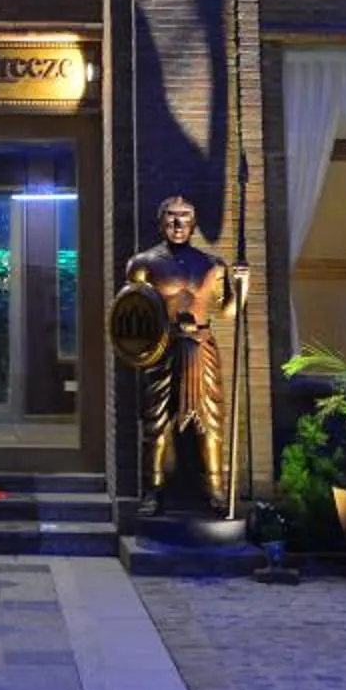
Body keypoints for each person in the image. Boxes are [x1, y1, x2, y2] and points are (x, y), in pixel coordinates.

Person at [121, 193, 251, 515]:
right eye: (171, 216)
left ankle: (216, 488)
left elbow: (227, 312)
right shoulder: (143, 264)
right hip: (162, 347)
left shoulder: (212, 265)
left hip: (201, 346)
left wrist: (242, 287)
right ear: (160, 221)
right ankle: (152, 490)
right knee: (156, 421)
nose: (178, 223)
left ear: (194, 223)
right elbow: (132, 311)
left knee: (211, 420)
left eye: (185, 216)